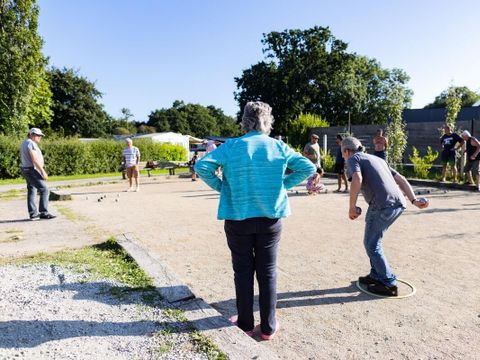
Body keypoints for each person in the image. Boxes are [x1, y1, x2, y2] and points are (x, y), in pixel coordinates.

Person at [195, 101, 315, 339]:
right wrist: (282, 186)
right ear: (268, 121)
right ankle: (269, 326)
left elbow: (202, 166)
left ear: (244, 120)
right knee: (268, 271)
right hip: (270, 217)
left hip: (238, 216)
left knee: (242, 271)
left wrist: (223, 188)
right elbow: (308, 167)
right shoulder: (278, 146)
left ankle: (246, 323)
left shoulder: (232, 146)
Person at [342, 137, 429, 296]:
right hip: (398, 204)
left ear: (347, 151)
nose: (343, 157)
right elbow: (401, 179)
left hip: (381, 205)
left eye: (343, 153)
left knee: (371, 244)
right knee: (374, 241)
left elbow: (357, 178)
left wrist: (351, 207)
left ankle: (389, 283)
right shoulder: (377, 159)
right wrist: (414, 200)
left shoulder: (353, 158)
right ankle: (377, 274)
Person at [20, 128, 56, 220]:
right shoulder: (31, 143)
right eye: (38, 135)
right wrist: (43, 171)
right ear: (31, 134)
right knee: (45, 189)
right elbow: (34, 159)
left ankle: (33, 214)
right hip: (31, 170)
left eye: (40, 136)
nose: (40, 137)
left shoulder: (25, 142)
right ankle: (43, 212)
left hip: (26, 169)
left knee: (32, 190)